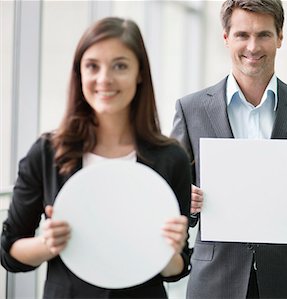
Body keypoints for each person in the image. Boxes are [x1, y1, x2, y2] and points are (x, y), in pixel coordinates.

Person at [0, 17, 191, 298]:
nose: (104, 79)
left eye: (120, 66)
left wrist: (170, 250)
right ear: (79, 72)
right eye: (92, 66)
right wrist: (47, 244)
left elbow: (178, 266)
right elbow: (9, 251)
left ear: (140, 73)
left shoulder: (171, 157)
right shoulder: (48, 152)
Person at [171, 1, 287, 298]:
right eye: (242, 35)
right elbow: (168, 198)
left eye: (264, 35)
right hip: (216, 281)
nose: (253, 47)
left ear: (280, 37)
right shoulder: (191, 110)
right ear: (226, 37)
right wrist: (184, 202)